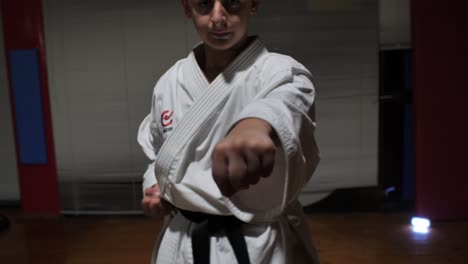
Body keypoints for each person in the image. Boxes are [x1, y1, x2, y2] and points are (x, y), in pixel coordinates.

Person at [138, 0, 320, 263]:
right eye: (203, 5)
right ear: (187, 8)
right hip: (183, 237)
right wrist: (155, 184)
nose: (218, 18)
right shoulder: (170, 82)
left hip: (257, 239)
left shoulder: (280, 72)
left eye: (233, 3)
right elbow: (157, 151)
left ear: (253, 4)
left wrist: (255, 123)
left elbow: (285, 103)